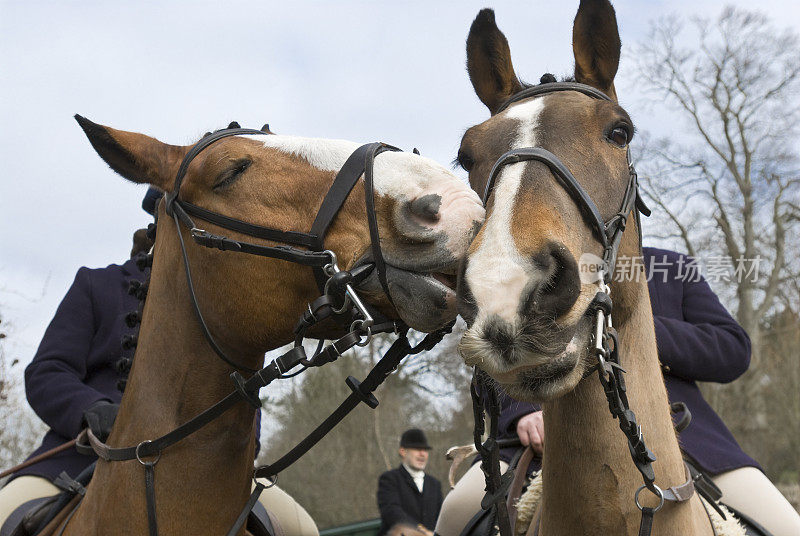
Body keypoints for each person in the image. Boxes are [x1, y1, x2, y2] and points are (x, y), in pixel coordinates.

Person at [0, 189, 318, 536]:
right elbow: (48, 371)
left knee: (303, 529)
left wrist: (233, 449)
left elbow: (245, 393)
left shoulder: (227, 307)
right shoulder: (97, 284)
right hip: (80, 460)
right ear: (161, 218)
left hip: (204, 473)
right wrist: (91, 409)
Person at [436, 247, 800, 536]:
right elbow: (489, 349)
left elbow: (733, 349)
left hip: (687, 440)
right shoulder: (531, 266)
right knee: (455, 515)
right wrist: (524, 412)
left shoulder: (671, 266)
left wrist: (636, 324)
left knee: (788, 528)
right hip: (544, 437)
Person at [377, 429, 443, 536]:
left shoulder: (434, 484)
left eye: (425, 450)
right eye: (417, 449)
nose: (423, 454)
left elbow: (440, 518)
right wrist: (422, 532)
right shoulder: (389, 479)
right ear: (403, 451)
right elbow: (392, 512)